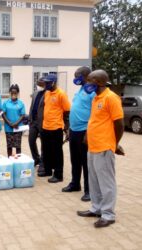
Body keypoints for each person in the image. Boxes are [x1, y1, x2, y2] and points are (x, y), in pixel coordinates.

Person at [77, 70, 124, 228]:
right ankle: (96, 208)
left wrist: (114, 144)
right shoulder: (96, 98)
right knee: (94, 180)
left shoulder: (111, 98)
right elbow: (95, 120)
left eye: (89, 80)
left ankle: (108, 214)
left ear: (99, 82)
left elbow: (119, 124)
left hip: (104, 146)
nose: (87, 83)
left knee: (106, 182)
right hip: (92, 146)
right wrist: (87, 136)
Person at [62, 67, 94, 202]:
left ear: (87, 76)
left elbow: (94, 114)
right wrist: (69, 129)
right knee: (75, 160)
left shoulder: (92, 92)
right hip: (74, 131)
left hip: (84, 132)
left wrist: (88, 131)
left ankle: (89, 190)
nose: (76, 78)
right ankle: (75, 184)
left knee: (86, 162)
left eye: (78, 76)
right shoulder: (81, 90)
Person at [39, 74, 71, 183]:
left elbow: (67, 111)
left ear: (54, 82)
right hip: (45, 127)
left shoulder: (61, 94)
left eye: (48, 83)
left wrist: (67, 128)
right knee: (46, 151)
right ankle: (48, 170)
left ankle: (58, 174)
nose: (46, 84)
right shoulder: (47, 93)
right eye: (45, 82)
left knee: (57, 152)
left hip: (56, 128)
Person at [2, 84, 26, 157]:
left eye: (15, 93)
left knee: (18, 146)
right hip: (8, 128)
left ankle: (18, 161)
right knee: (9, 146)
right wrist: (10, 123)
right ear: (10, 93)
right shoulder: (6, 103)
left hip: (17, 128)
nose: (13, 94)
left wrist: (16, 123)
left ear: (17, 93)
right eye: (12, 93)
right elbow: (3, 114)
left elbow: (22, 115)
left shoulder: (21, 103)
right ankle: (10, 160)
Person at [28, 77, 46, 175]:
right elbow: (32, 106)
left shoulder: (48, 93)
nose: (38, 84)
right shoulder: (35, 93)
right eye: (38, 83)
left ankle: (43, 163)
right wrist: (30, 119)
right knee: (31, 141)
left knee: (43, 144)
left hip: (43, 122)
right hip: (33, 122)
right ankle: (36, 159)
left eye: (40, 83)